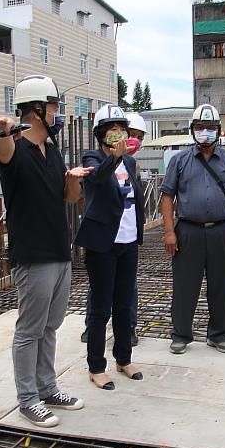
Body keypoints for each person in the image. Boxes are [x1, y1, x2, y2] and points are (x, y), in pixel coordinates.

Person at [0, 75, 93, 428]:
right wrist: (2, 132)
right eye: (53, 108)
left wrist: (74, 179)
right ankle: (28, 399)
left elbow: (69, 198)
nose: (57, 115)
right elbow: (3, 152)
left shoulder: (53, 151)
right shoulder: (15, 149)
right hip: (33, 255)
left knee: (50, 326)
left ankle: (48, 388)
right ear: (36, 111)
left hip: (59, 250)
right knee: (30, 329)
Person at [160, 104, 225, 354]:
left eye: (210, 128)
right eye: (200, 128)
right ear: (192, 130)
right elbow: (167, 196)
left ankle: (219, 335)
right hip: (188, 230)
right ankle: (181, 334)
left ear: (219, 131)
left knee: (221, 286)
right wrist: (169, 231)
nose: (205, 132)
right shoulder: (179, 161)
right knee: (185, 285)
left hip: (222, 231)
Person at [75, 105, 145, 390]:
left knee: (124, 304)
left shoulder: (129, 163)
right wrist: (114, 157)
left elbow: (134, 195)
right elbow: (95, 179)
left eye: (122, 129)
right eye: (112, 129)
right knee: (101, 307)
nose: (118, 134)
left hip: (127, 241)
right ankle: (96, 366)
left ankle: (123, 359)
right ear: (101, 134)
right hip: (103, 243)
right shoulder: (92, 158)